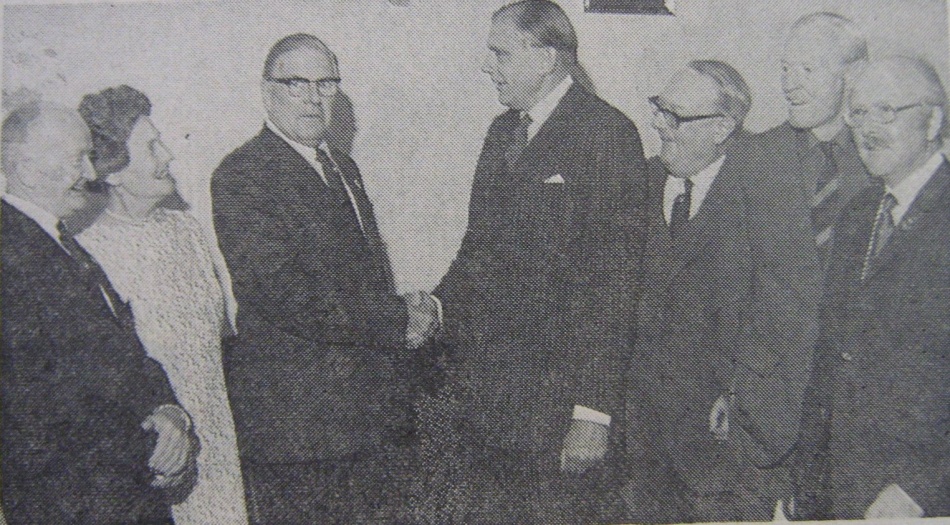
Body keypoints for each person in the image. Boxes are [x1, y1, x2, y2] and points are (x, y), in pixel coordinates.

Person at [425, 1, 649, 521]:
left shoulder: (607, 133)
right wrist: (434, 307)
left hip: (557, 404)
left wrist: (592, 412)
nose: (487, 66)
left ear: (546, 58)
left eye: (500, 53)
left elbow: (614, 285)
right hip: (487, 394)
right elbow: (477, 250)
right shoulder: (501, 131)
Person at [211, 34, 435, 523]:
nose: (313, 97)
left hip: (368, 415)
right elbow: (284, 294)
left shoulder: (343, 167)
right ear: (267, 92)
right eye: (297, 83)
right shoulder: (243, 174)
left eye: (326, 83)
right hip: (301, 430)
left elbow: (361, 278)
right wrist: (399, 318)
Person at [612, 61, 821, 523]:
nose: (659, 123)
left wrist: (743, 394)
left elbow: (789, 311)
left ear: (722, 128)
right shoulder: (642, 181)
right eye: (659, 108)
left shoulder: (767, 187)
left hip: (724, 449)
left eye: (676, 116)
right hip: (642, 447)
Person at [1, 102, 199, 524]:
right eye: (79, 159)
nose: (91, 173)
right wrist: (149, 451)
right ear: (28, 169)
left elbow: (123, 354)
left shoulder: (61, 243)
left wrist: (169, 413)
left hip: (119, 498)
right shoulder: (9, 255)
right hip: (80, 506)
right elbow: (33, 411)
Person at [74, 85, 249, 525]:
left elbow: (222, 344)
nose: (168, 155)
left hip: (221, 445)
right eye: (151, 147)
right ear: (113, 169)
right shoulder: (90, 253)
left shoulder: (187, 230)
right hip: (160, 458)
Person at [796, 56, 950, 520]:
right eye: (858, 113)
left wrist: (920, 489)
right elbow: (831, 355)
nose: (868, 128)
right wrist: (805, 483)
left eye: (887, 111)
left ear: (933, 122)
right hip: (840, 485)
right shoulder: (859, 213)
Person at [753, 12, 871, 265]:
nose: (789, 85)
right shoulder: (753, 157)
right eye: (786, 69)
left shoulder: (882, 159)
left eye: (808, 70)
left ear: (854, 74)